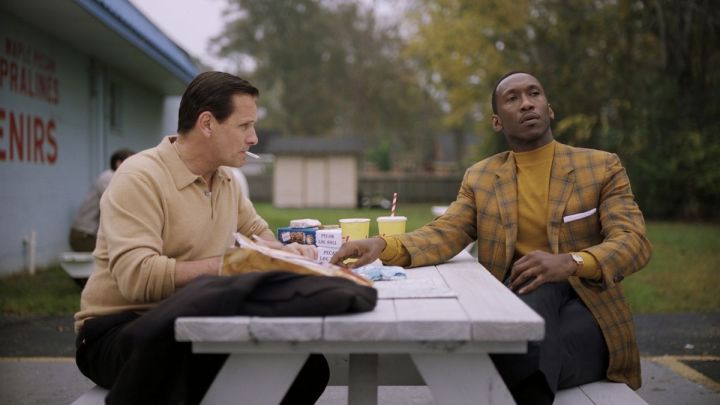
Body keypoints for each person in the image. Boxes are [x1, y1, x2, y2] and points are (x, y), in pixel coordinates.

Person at [331, 71, 652, 404]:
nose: (527, 103)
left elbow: (634, 241)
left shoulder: (600, 167)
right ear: (497, 122)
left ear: (549, 108)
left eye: (534, 94)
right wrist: (383, 245)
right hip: (516, 302)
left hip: (588, 305)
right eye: (513, 98)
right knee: (530, 332)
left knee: (508, 352)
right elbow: (446, 232)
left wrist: (570, 262)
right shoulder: (482, 177)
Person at [74, 72, 375, 405]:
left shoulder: (225, 180)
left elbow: (259, 237)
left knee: (306, 367)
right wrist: (234, 265)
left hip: (190, 323)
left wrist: (291, 252)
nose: (254, 138)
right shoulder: (139, 176)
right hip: (118, 331)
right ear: (207, 124)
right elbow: (137, 278)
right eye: (244, 126)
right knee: (233, 371)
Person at [68, 148, 134, 252]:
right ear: (119, 163)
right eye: (131, 162)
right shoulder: (108, 178)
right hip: (83, 236)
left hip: (90, 235)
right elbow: (120, 204)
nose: (136, 166)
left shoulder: (118, 179)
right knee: (120, 253)